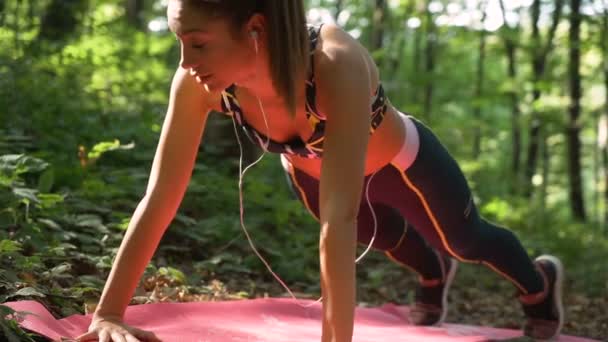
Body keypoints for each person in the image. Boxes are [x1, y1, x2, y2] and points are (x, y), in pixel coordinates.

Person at [77, 1, 565, 341]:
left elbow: (338, 220)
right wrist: (110, 312)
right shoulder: (198, 83)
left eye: (198, 44)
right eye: (179, 41)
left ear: (255, 29)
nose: (186, 61)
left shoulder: (333, 61)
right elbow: (160, 196)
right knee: (390, 240)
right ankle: (433, 277)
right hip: (313, 174)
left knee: (465, 239)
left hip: (403, 161)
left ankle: (539, 283)